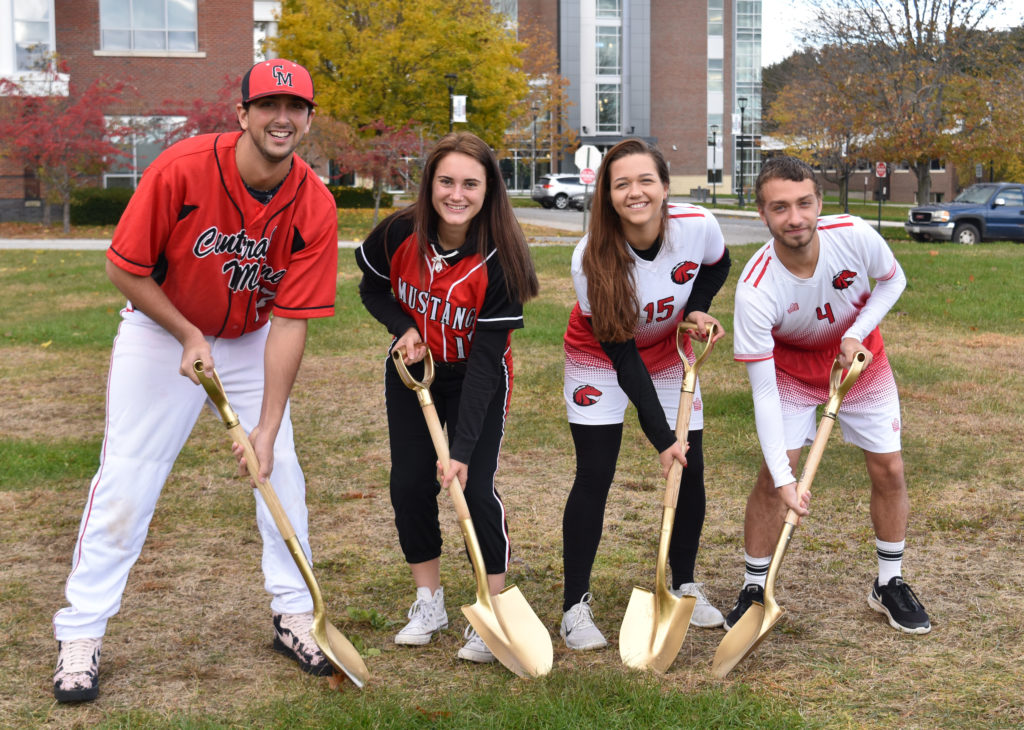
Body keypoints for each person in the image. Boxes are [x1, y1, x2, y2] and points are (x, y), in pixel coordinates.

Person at [51, 60, 339, 703]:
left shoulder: (314, 204)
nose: (282, 118)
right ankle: (81, 631)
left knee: (281, 468)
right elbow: (125, 270)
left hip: (252, 337)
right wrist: (186, 334)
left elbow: (291, 323)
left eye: (295, 108)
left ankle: (296, 613)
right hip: (163, 331)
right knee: (129, 477)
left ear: (309, 119)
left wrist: (265, 427)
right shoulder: (182, 168)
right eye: (268, 105)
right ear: (242, 113)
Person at [354, 132, 539, 663]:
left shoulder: (502, 256)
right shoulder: (397, 232)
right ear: (431, 182)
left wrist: (459, 449)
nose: (456, 194)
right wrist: (402, 326)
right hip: (414, 373)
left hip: (476, 379)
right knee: (410, 485)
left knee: (473, 488)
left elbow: (486, 361)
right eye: (447, 181)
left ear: (489, 190)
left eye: (470, 184)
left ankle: (491, 608)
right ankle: (428, 600)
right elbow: (371, 288)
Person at [727, 155, 930, 635]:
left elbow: (893, 280)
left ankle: (889, 582)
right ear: (763, 214)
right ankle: (755, 587)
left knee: (889, 466)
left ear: (819, 202)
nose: (794, 218)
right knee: (775, 473)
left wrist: (854, 333)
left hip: (859, 360)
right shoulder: (755, 290)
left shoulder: (854, 235)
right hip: (790, 370)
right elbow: (762, 395)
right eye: (780, 208)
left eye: (803, 204)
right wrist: (784, 481)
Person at [559, 138, 731, 650]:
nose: (636, 192)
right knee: (596, 472)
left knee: (691, 466)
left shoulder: (697, 225)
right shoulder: (590, 256)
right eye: (622, 184)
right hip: (603, 355)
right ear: (607, 196)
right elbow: (622, 355)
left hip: (669, 346)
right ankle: (574, 605)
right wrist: (660, 437)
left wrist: (696, 307)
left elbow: (717, 265)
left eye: (645, 181)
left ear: (664, 186)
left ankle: (684, 584)